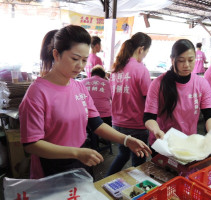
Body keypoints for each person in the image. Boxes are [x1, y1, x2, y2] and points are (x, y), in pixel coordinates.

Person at [19, 25, 151, 179]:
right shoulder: (37, 93)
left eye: (84, 60)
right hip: (51, 165)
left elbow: (97, 124)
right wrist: (76, 153)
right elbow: (31, 144)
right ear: (56, 54)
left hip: (80, 158)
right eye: (75, 59)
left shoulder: (79, 87)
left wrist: (126, 140)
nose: (80, 66)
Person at [144, 39, 211, 157]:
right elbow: (149, 117)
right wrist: (156, 130)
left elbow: (210, 114)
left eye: (191, 60)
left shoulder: (201, 84)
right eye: (181, 60)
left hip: (188, 143)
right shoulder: (158, 84)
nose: (186, 65)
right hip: (164, 142)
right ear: (172, 59)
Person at [106, 32, 152, 176]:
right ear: (141, 49)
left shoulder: (116, 69)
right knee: (139, 161)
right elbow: (148, 99)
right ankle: (138, 192)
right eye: (146, 52)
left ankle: (105, 180)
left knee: (123, 155)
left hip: (117, 124)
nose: (144, 56)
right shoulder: (141, 69)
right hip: (136, 125)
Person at [82, 65, 112, 150]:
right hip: (104, 118)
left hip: (86, 118)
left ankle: (91, 139)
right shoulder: (108, 83)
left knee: (89, 128)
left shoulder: (82, 82)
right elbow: (113, 99)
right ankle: (99, 140)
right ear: (103, 75)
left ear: (91, 74)